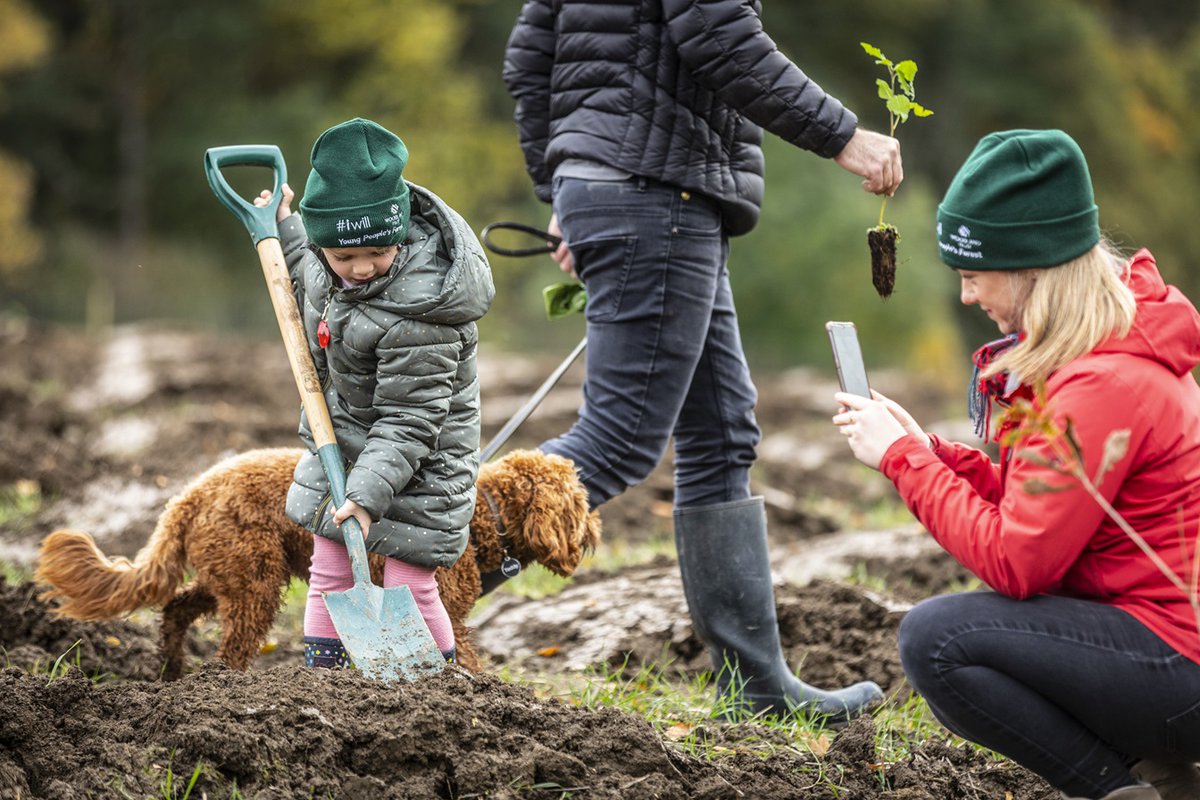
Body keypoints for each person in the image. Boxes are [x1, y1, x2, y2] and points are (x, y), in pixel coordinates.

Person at [501, 0, 903, 722]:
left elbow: (531, 59)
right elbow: (718, 38)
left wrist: (562, 179)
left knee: (722, 433)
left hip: (640, 187)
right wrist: (844, 136)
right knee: (616, 441)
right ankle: (417, 586)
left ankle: (756, 687)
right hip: (657, 192)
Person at [834, 129, 1200, 800]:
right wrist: (934, 454)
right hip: (1163, 645)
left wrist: (902, 460)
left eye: (974, 276)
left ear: (1033, 266)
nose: (968, 297)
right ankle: (1161, 777)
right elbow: (1052, 508)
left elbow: (1019, 561)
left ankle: (1117, 791)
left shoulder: (1104, 385)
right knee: (959, 631)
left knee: (938, 641)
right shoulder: (1100, 354)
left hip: (1179, 662)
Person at [255, 118, 495, 668]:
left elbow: (410, 422)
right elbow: (304, 276)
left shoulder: (424, 310)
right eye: (344, 258)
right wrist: (284, 226)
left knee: (410, 581)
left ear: (400, 230)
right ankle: (330, 692)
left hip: (423, 462)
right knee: (332, 569)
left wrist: (364, 496)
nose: (361, 269)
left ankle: (434, 696)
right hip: (344, 442)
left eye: (378, 252)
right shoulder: (325, 263)